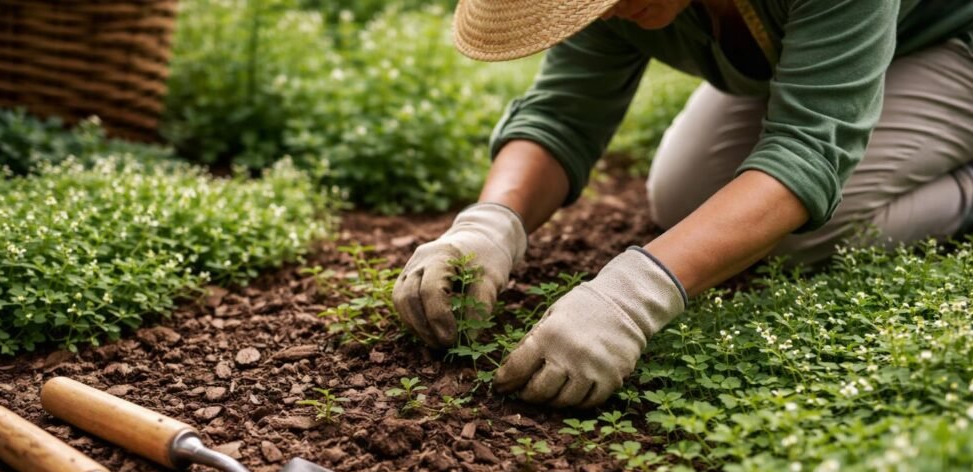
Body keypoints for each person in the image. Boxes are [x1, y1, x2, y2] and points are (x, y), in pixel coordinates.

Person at [392, 0, 973, 408]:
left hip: (951, 45)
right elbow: (564, 113)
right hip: (849, 50)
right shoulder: (608, 6)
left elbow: (807, 150)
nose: (606, 12)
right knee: (685, 199)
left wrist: (634, 296)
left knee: (802, 230)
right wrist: (489, 226)